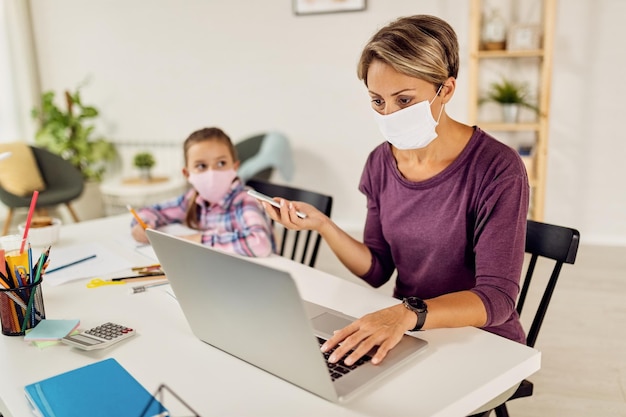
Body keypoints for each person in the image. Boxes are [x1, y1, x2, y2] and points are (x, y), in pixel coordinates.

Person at [260, 15, 529, 411]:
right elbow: (378, 269)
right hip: (410, 328)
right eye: (377, 100)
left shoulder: (497, 168)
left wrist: (406, 314)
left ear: (446, 89)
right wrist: (323, 226)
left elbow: (497, 298)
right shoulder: (379, 163)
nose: (388, 114)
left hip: (480, 339)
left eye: (404, 100)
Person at [130, 127, 275, 257]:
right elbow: (153, 211)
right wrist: (141, 226)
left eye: (221, 163)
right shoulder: (192, 199)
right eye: (201, 166)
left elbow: (260, 243)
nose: (212, 172)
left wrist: (199, 239)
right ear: (187, 174)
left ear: (235, 166)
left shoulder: (244, 200)